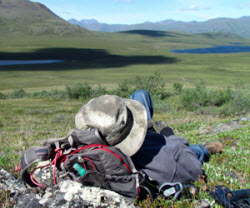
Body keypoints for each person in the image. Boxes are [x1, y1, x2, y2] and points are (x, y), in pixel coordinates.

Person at [130, 89, 224, 185]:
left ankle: (150, 129)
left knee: (141, 94)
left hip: (130, 131)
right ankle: (205, 150)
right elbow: (191, 167)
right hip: (140, 144)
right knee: (190, 150)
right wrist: (168, 133)